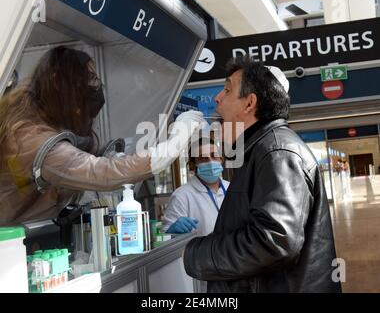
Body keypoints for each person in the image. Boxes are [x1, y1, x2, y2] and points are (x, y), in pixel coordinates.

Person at [183, 56, 342, 293]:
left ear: (249, 103)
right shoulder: (260, 151)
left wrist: (197, 254)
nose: (217, 98)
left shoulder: (277, 152)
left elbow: (273, 242)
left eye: (226, 90)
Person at [0, 46, 206, 225]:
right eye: (89, 78)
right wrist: (179, 137)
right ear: (60, 83)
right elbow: (103, 173)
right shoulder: (32, 138)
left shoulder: (45, 119)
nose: (96, 87)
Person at [162, 137, 229, 236]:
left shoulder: (233, 188)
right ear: (193, 165)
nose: (210, 162)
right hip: (202, 251)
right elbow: (166, 240)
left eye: (214, 156)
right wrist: (171, 232)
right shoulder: (181, 196)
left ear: (221, 159)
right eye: (202, 158)